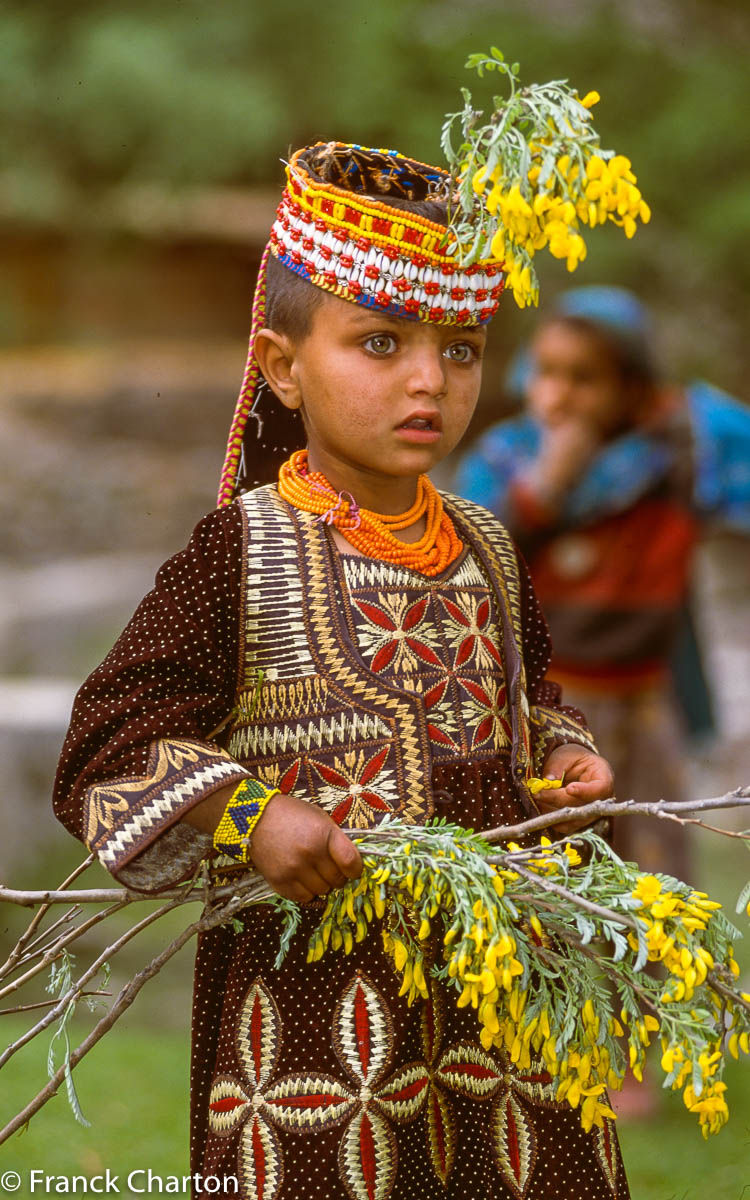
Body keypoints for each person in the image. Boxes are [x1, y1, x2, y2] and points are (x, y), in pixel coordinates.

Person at [53, 143, 629, 1198]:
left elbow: (531, 696)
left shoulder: (491, 547)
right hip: (317, 1023)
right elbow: (111, 738)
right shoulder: (237, 552)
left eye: (460, 350)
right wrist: (251, 818)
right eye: (380, 342)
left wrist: (565, 755)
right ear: (282, 366)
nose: (429, 379)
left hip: (505, 1009)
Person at [454, 286, 750, 893]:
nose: (556, 395)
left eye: (583, 378)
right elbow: (463, 562)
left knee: (657, 890)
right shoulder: (508, 461)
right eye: (546, 373)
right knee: (550, 893)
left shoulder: (684, 450)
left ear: (633, 389)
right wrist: (545, 489)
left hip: (644, 711)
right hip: (537, 722)